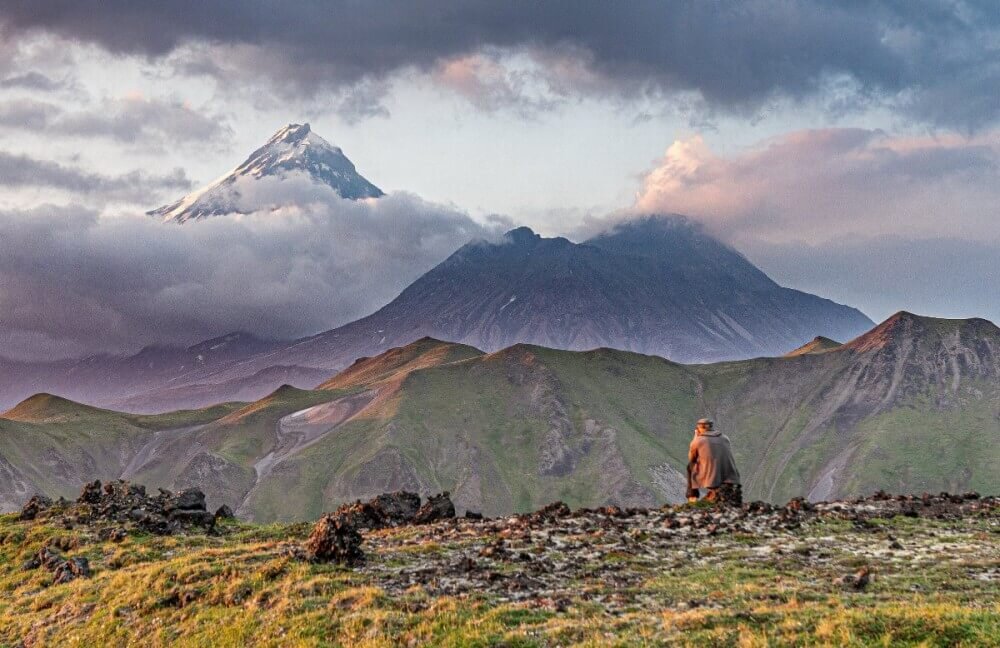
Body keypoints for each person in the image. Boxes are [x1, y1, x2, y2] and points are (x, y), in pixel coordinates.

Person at [686, 418, 742, 505]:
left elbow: (691, 458)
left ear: (700, 428)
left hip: (712, 479)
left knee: (690, 467)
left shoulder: (698, 441)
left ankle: (692, 496)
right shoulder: (725, 438)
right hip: (732, 477)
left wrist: (695, 438)